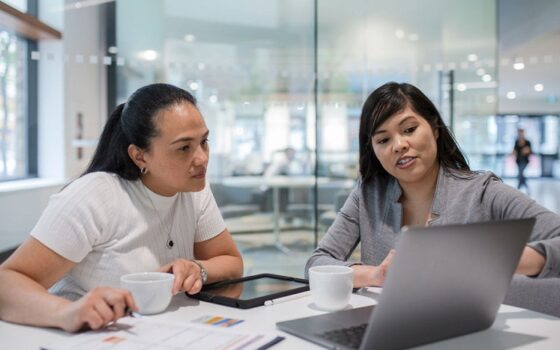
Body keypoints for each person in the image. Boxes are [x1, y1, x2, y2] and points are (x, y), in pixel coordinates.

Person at [0, 83, 243, 332]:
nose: (202, 158)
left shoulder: (194, 189)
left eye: (204, 141)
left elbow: (232, 263)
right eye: (184, 148)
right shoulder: (95, 195)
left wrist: (198, 269)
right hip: (88, 336)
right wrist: (65, 311)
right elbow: (6, 283)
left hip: (163, 332)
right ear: (139, 156)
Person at [306, 82, 560, 288]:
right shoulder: (368, 195)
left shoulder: (482, 191)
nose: (399, 145)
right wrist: (376, 276)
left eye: (409, 129)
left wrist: (497, 258)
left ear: (435, 128)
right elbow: (317, 263)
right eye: (383, 139)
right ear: (373, 150)